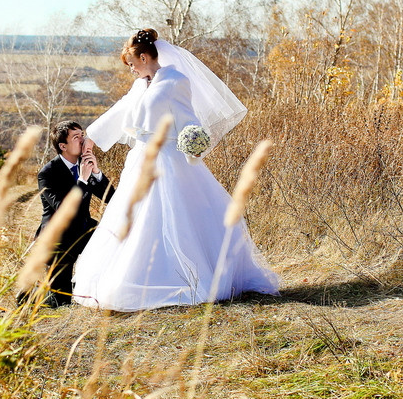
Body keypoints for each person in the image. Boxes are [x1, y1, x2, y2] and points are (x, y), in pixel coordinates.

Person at [72, 29, 279, 312]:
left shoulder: (175, 81)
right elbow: (121, 111)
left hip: (167, 159)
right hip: (140, 159)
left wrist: (193, 139)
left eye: (132, 63)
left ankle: (182, 279)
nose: (131, 69)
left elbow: (188, 119)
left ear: (144, 57)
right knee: (135, 217)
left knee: (172, 216)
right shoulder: (140, 86)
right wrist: (92, 137)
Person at [34, 120, 115, 306]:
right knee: (61, 301)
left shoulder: (84, 164)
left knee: (113, 243)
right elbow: (63, 209)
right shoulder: (47, 173)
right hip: (58, 239)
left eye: (82, 135)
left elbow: (111, 197)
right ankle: (35, 293)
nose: (83, 140)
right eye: (76, 137)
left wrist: (96, 172)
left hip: (84, 229)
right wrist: (83, 180)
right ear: (63, 146)